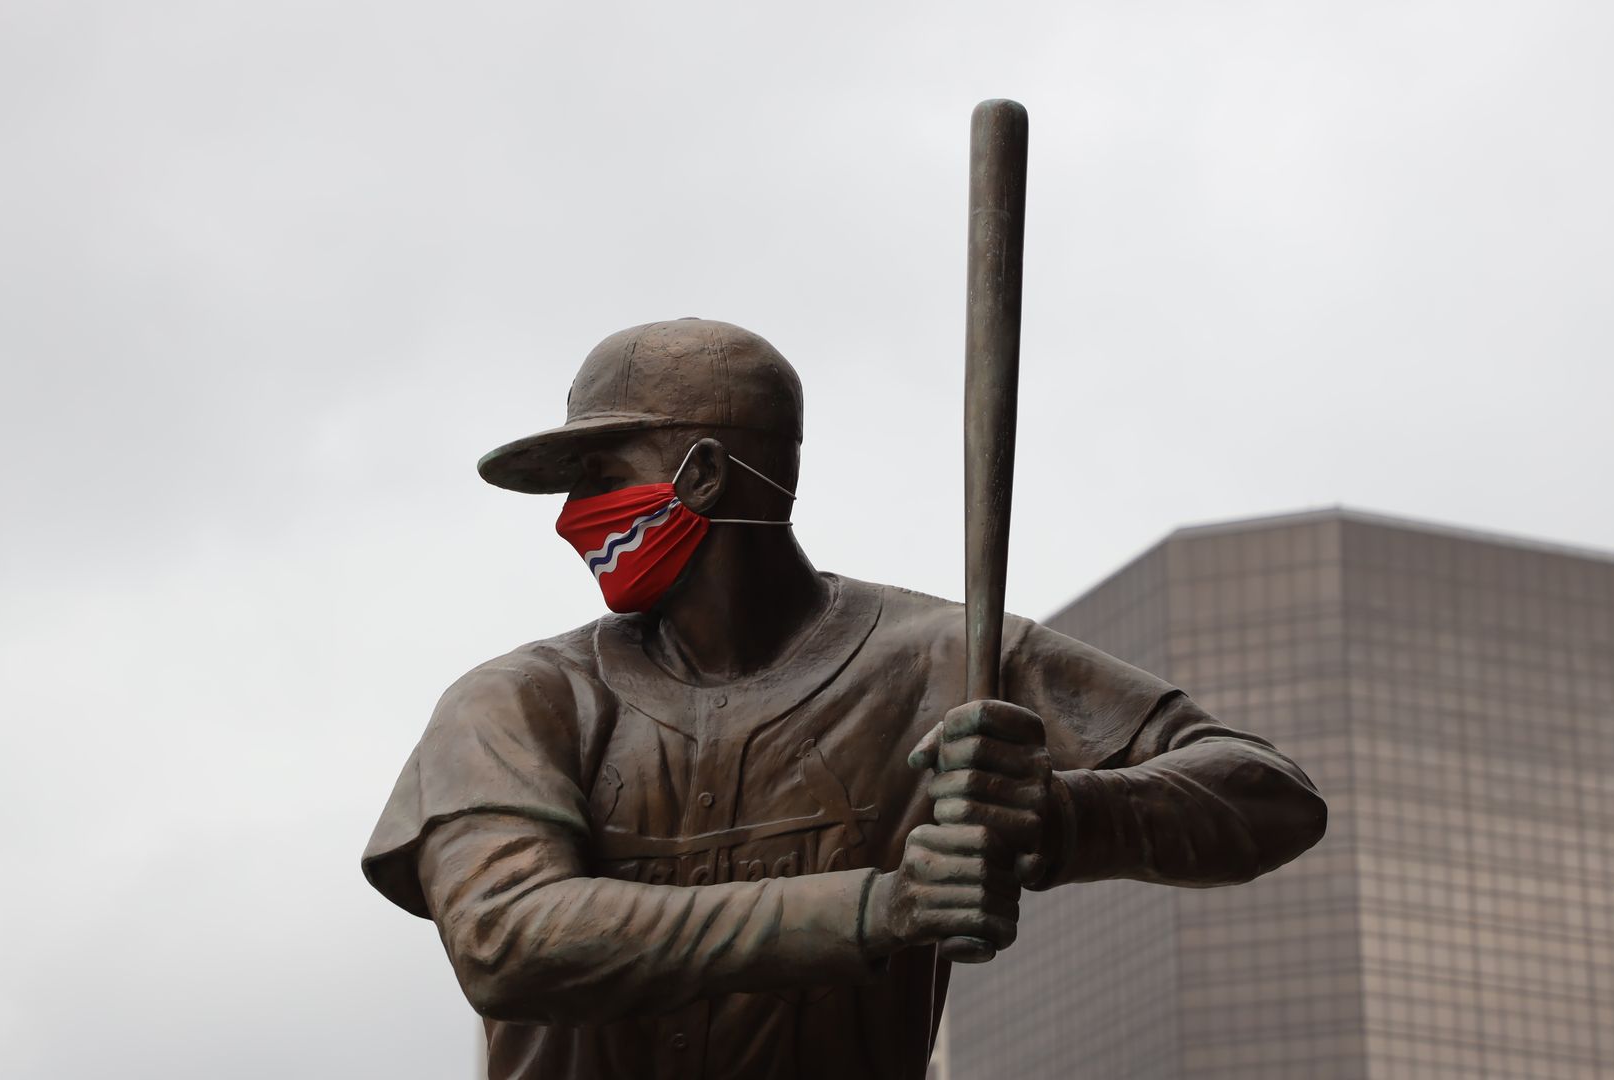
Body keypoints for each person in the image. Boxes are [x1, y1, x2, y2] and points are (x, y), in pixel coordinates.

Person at [362, 318, 1327, 1079]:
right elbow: (510, 939)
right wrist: (883, 909)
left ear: (700, 474)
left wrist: (1059, 812)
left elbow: (1269, 796)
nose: (579, 517)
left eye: (603, 477)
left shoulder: (944, 662)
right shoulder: (516, 702)